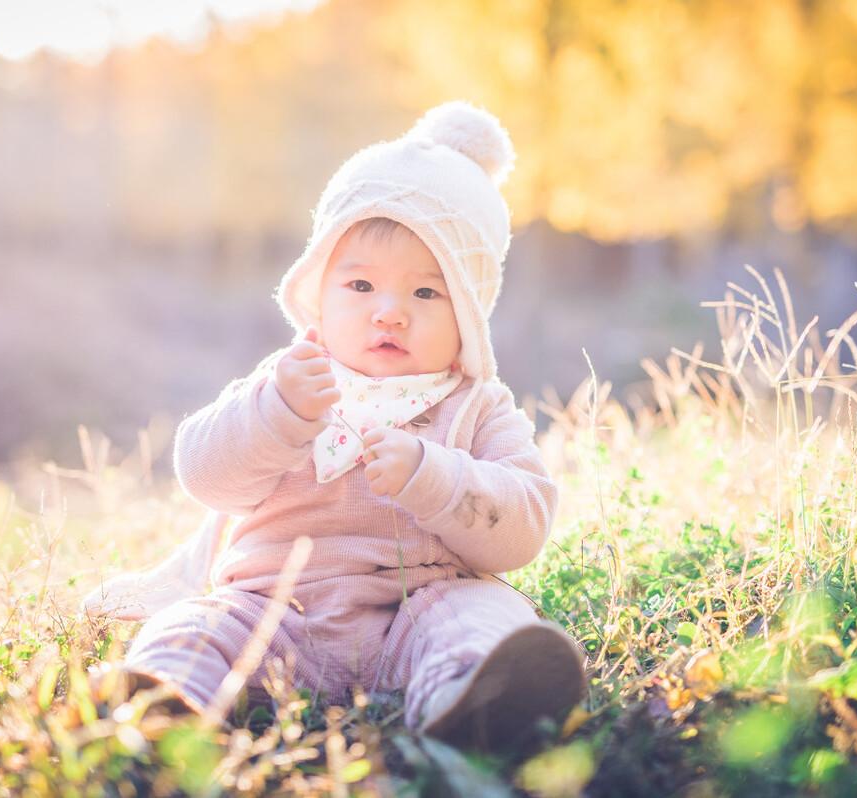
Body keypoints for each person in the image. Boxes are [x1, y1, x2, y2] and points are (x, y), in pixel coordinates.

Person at [82, 101, 585, 750]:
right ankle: (165, 701)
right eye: (360, 286)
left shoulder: (476, 405)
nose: (390, 314)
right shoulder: (290, 381)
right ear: (318, 289)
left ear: (468, 311)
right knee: (197, 629)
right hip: (271, 611)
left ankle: (476, 699)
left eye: (426, 294)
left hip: (419, 607)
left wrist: (435, 477)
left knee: (485, 617)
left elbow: (525, 524)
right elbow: (203, 475)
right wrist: (275, 415)